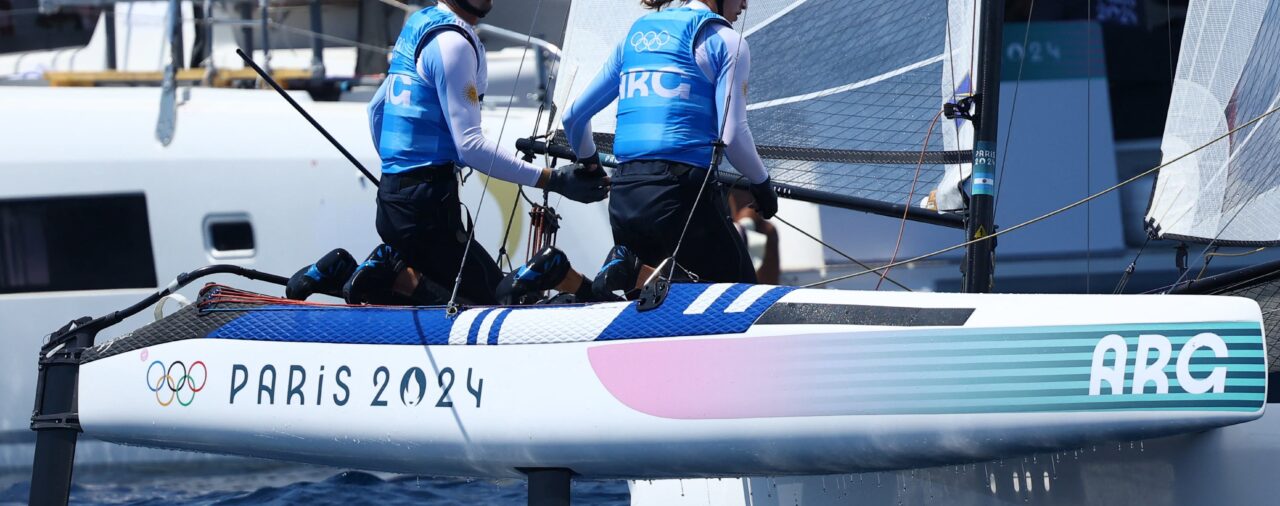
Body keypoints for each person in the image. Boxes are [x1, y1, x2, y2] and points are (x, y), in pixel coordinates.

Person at [287, 0, 608, 306]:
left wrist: (399, 170)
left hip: (393, 199)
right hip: (428, 206)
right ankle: (392, 266)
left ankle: (343, 271)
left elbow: (376, 110)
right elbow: (470, 147)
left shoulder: (420, 24)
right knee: (492, 302)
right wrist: (553, 180)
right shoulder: (454, 45)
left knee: (425, 298)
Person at [560, 0, 779, 298]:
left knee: (657, 307)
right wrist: (762, 184)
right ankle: (629, 269)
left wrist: (591, 165)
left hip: (624, 196)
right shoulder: (725, 41)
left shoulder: (632, 40)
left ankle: (587, 273)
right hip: (679, 195)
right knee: (740, 297)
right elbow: (733, 136)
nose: (745, 4)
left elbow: (573, 117)